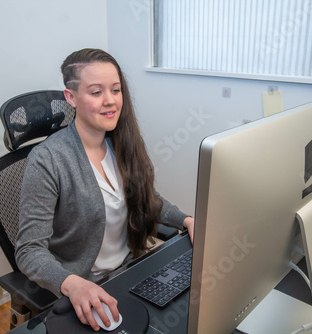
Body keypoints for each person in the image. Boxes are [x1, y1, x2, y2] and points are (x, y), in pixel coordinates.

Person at [15, 48, 194, 331]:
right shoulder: (48, 159)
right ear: (71, 97)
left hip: (129, 273)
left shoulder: (120, 143)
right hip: (84, 286)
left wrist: (187, 220)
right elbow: (28, 250)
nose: (110, 101)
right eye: (96, 92)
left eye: (116, 90)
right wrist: (73, 285)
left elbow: (149, 200)